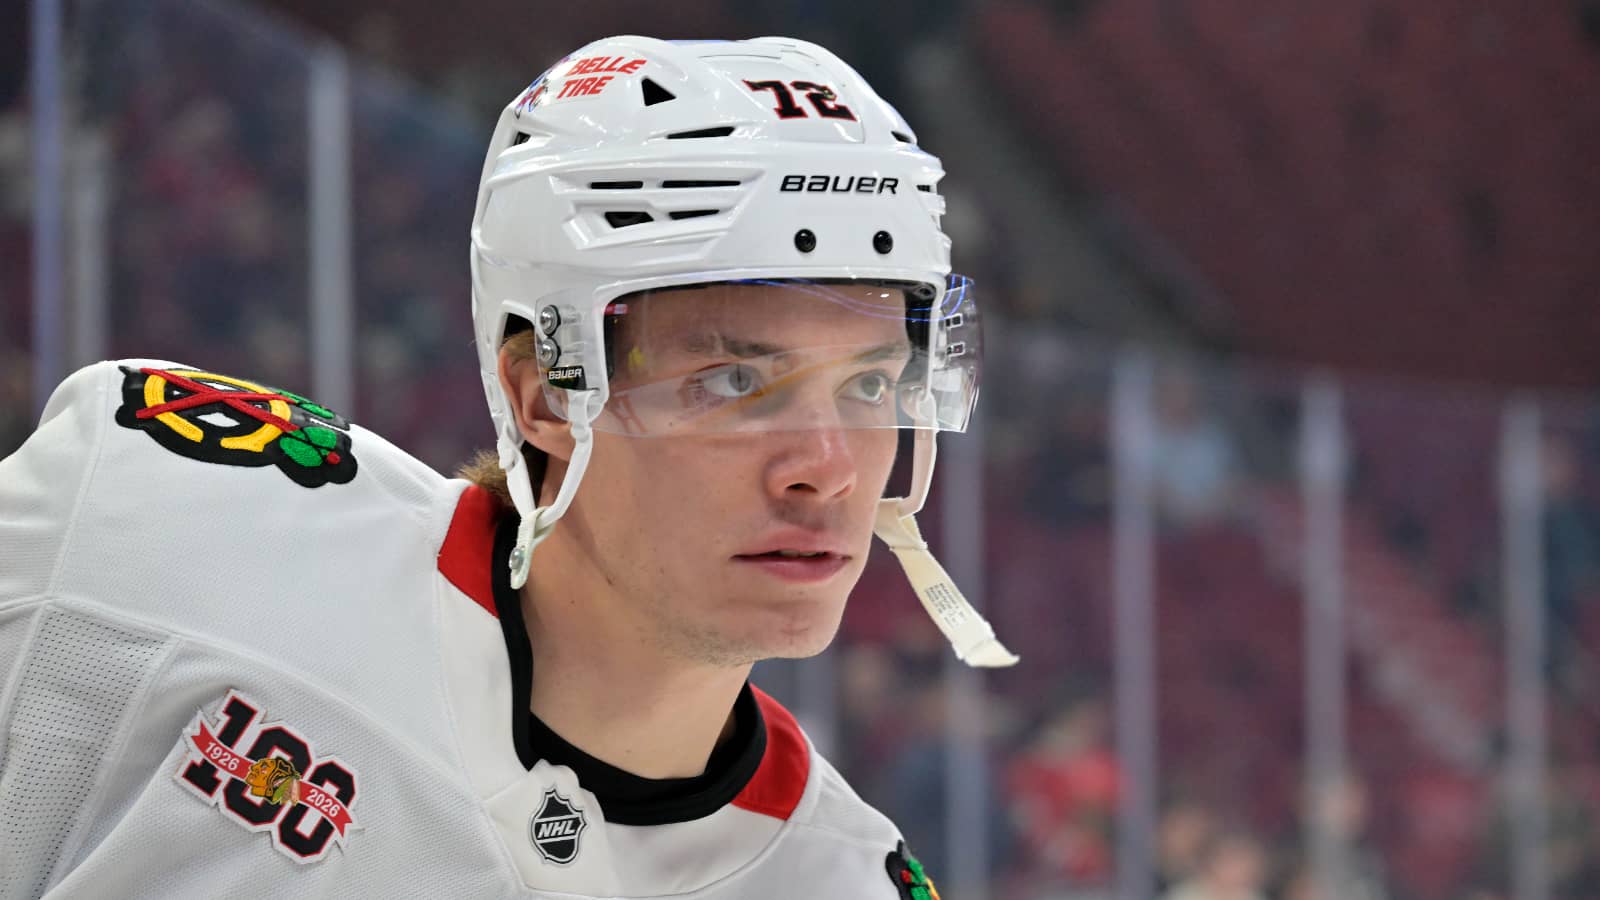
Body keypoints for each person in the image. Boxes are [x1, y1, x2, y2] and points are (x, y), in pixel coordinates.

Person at [0, 35, 1015, 898]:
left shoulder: (846, 882)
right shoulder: (158, 528)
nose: (826, 470)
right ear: (543, 396)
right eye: (732, 380)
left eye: (871, 387)